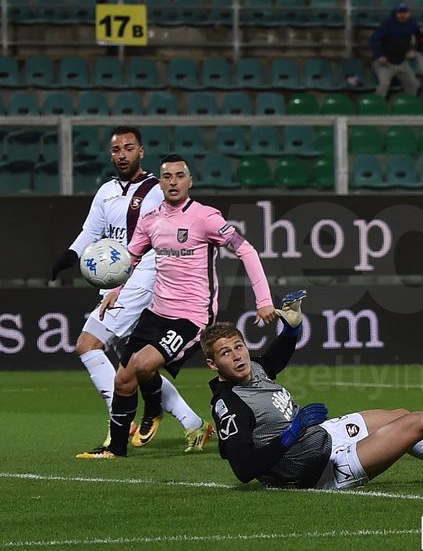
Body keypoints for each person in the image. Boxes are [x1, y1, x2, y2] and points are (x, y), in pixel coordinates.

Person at [206, 291, 423, 489]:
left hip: (321, 437)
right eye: (225, 353)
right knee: (416, 423)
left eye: (239, 346)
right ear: (212, 364)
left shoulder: (254, 369)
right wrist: (290, 434)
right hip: (315, 470)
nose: (237, 356)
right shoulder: (230, 405)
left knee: (400, 415)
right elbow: (244, 469)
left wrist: (292, 329)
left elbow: (274, 357)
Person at [77, 154, 277, 459]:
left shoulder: (205, 217)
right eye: (167, 176)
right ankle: (115, 450)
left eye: (179, 176)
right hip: (156, 312)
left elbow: (245, 250)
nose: (173, 182)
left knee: (143, 365)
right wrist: (115, 290)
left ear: (190, 181)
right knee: (123, 379)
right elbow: (130, 258)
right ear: (160, 182)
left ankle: (153, 409)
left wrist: (263, 300)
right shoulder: (150, 220)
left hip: (191, 316)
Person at [51, 127, 210, 455]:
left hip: (143, 280)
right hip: (115, 283)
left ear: (141, 152)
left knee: (87, 345)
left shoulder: (156, 190)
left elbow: (166, 237)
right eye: (116, 149)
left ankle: (118, 424)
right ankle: (193, 423)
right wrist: (70, 255)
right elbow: (92, 230)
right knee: (137, 364)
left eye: (129, 148)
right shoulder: (106, 191)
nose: (122, 154)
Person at [354, 2, 420, 99]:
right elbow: (373, 40)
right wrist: (379, 55)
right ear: (395, 13)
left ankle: (409, 105)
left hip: (401, 62)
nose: (403, 15)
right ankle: (376, 106)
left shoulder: (412, 24)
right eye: (400, 13)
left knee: (413, 84)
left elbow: (419, 37)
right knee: (384, 85)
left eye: (405, 12)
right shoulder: (387, 24)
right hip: (385, 63)